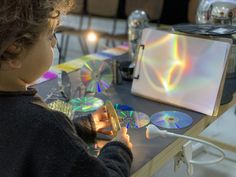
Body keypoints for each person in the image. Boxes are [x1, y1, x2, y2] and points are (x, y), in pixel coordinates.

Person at [0, 0, 133, 177]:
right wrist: (119, 150)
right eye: (49, 35)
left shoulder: (38, 125)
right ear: (13, 50)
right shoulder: (45, 125)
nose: (54, 42)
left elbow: (22, 140)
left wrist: (80, 128)